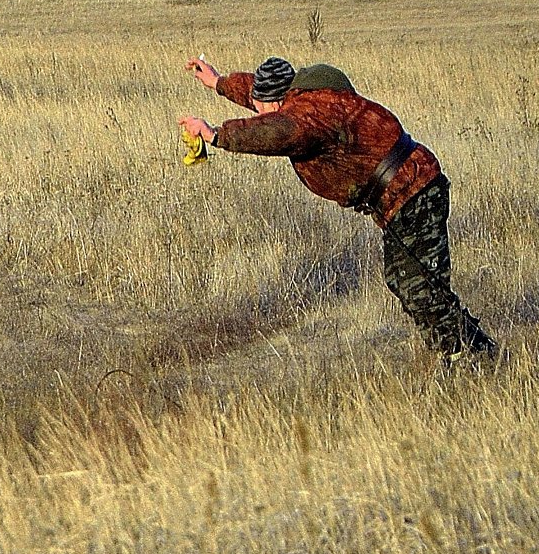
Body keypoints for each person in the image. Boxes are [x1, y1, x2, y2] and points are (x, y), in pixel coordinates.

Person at [178, 55, 498, 368]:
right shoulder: (303, 99)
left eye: (261, 109)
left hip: (413, 189)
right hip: (408, 189)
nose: (257, 112)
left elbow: (275, 130)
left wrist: (217, 135)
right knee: (412, 280)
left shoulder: (307, 119)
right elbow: (260, 97)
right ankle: (473, 350)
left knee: (415, 283)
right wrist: (218, 82)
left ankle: (467, 356)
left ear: (277, 103)